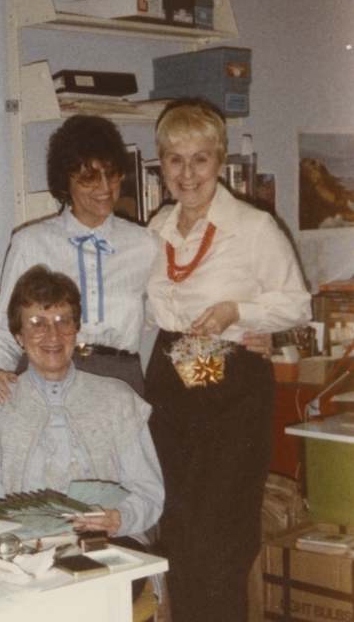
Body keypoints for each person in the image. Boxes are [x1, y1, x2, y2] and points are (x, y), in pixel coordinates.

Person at [143, 98, 311, 622]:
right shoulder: (157, 228)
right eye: (175, 159)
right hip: (172, 376)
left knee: (220, 541)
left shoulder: (252, 227)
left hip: (230, 383)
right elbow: (149, 312)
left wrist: (240, 313)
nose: (187, 173)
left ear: (218, 162)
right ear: (162, 165)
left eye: (200, 159)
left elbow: (297, 304)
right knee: (180, 535)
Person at [0, 265, 164, 543]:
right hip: (26, 549)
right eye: (37, 324)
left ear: (76, 330)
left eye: (63, 321)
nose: (53, 336)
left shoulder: (118, 400)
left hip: (108, 542)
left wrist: (121, 518)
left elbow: (147, 490)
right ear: (18, 337)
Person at [0, 115, 157, 403]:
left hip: (120, 382)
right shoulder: (32, 243)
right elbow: (3, 327)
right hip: (45, 378)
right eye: (89, 177)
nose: (105, 187)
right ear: (65, 181)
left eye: (112, 173)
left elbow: (171, 312)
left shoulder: (145, 244)